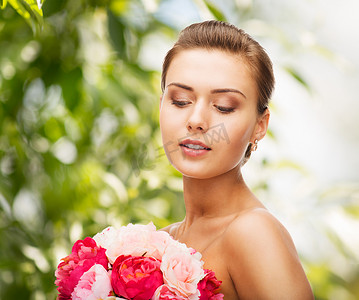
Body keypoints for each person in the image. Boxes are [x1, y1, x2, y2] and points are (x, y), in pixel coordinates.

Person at [160, 20, 314, 299]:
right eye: (181, 100)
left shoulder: (253, 233)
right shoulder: (159, 241)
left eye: (224, 107)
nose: (196, 121)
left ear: (260, 125)